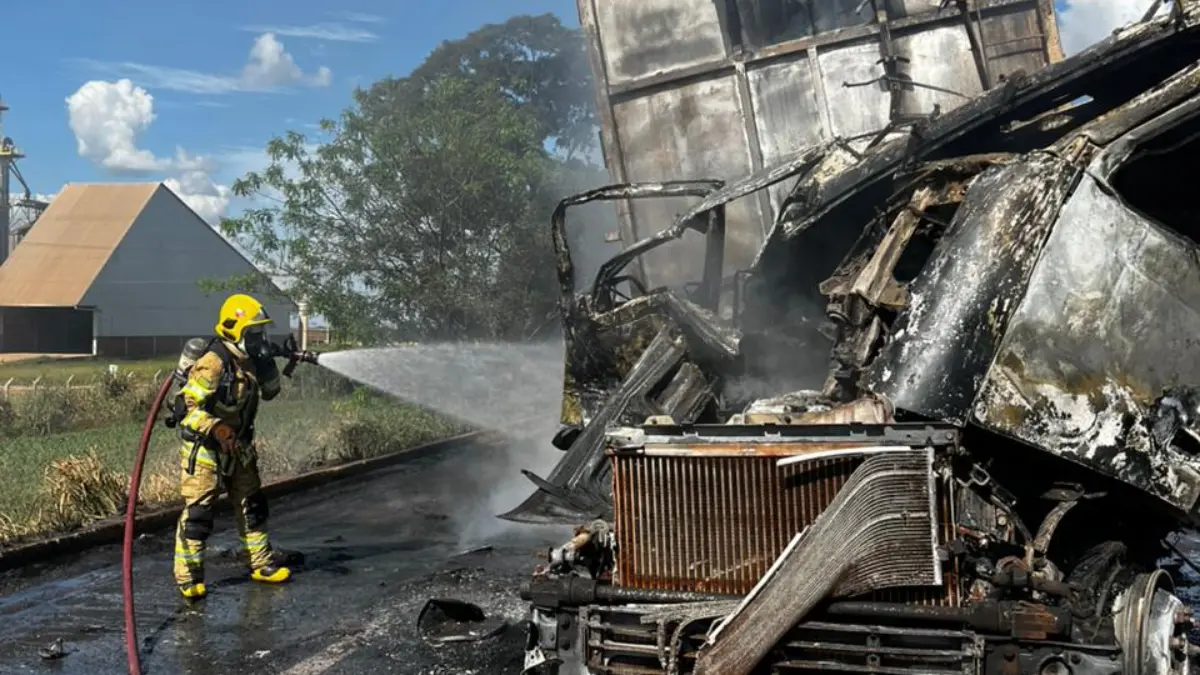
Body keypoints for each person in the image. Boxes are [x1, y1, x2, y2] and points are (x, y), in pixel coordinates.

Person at [173, 293, 291, 600]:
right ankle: (189, 578)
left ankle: (260, 564)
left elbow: (271, 392)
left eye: (261, 332)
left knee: (253, 506)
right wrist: (216, 427)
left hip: (238, 446)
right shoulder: (213, 364)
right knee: (199, 515)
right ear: (234, 330)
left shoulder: (249, 361)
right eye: (253, 332)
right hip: (205, 450)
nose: (259, 338)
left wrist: (267, 364)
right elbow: (186, 410)